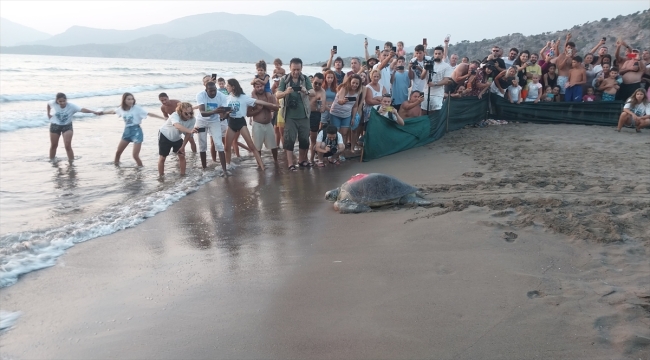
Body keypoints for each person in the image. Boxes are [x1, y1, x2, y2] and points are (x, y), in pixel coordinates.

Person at [224, 78, 279, 171]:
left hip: (241, 122)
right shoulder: (227, 97)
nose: (226, 87)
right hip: (231, 122)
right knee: (226, 147)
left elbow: (258, 102)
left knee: (252, 146)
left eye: (228, 85)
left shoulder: (243, 97)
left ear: (233, 87)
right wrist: (226, 113)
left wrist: (272, 105)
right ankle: (227, 166)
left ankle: (262, 166)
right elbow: (223, 112)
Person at [99, 92, 164, 166]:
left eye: (132, 99)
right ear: (124, 100)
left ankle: (140, 170)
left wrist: (163, 118)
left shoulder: (137, 108)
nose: (131, 101)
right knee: (118, 152)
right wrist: (102, 112)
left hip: (136, 132)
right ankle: (117, 169)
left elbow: (149, 114)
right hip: (127, 132)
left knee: (135, 156)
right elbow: (113, 112)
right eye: (128, 99)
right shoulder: (121, 109)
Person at [276, 58, 316, 171]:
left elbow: (313, 92)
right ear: (290, 68)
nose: (296, 72)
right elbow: (277, 95)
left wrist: (306, 91)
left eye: (298, 69)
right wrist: (285, 92)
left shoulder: (305, 78)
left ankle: (302, 160)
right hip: (290, 116)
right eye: (294, 69)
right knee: (289, 140)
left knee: (304, 139)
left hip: (304, 115)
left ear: (301, 68)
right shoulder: (284, 79)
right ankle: (290, 163)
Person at [46, 92, 100, 161]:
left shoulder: (71, 106)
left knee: (67, 145)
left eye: (64, 101)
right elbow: (48, 104)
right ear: (57, 100)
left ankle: (71, 163)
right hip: (55, 125)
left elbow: (82, 109)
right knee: (54, 145)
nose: (62, 103)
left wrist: (94, 112)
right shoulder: (53, 103)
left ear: (66, 100)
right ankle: (52, 161)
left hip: (67, 126)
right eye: (60, 101)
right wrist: (48, 113)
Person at [196, 81, 229, 172]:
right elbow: (202, 113)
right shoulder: (200, 95)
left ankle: (224, 170)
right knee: (202, 144)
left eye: (214, 90)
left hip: (214, 121)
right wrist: (215, 111)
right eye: (210, 91)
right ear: (206, 90)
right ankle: (204, 168)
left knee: (218, 143)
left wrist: (226, 114)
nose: (213, 93)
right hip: (201, 121)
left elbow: (223, 114)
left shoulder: (221, 96)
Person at [158, 102, 197, 176]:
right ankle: (161, 177)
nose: (189, 115)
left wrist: (183, 146)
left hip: (177, 138)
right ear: (180, 112)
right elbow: (177, 126)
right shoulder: (175, 115)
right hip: (165, 135)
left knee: (182, 155)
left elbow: (188, 134)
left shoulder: (192, 119)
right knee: (163, 157)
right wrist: (190, 131)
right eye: (186, 113)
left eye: (191, 113)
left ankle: (183, 175)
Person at [329, 74, 362, 149]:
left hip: (346, 115)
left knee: (344, 133)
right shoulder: (344, 88)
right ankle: (333, 150)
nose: (355, 85)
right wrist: (343, 101)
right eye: (353, 82)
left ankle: (340, 152)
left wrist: (353, 118)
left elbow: (355, 106)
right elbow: (340, 100)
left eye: (357, 83)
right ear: (350, 82)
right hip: (335, 114)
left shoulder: (357, 93)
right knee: (335, 133)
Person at [249, 79, 279, 162]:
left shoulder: (269, 96)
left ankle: (276, 161)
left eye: (261, 86)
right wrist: (258, 110)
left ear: (264, 86)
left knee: (273, 145)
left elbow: (277, 108)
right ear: (254, 87)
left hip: (269, 124)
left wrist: (268, 105)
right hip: (258, 124)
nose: (260, 88)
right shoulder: (252, 98)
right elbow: (248, 113)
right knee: (257, 147)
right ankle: (259, 164)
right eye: (257, 87)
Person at [421, 46, 453, 115]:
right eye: (435, 54)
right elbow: (422, 77)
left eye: (439, 54)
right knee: (423, 112)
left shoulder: (446, 66)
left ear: (442, 54)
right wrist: (426, 68)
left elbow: (446, 80)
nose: (437, 55)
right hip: (426, 93)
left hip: (437, 94)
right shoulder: (429, 63)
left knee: (435, 113)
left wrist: (435, 84)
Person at [308, 73, 327, 164]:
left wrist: (319, 105)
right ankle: (303, 158)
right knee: (303, 138)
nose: (317, 86)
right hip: (304, 114)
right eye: (316, 83)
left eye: (320, 84)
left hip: (314, 114)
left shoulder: (322, 92)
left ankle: (311, 159)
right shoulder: (307, 88)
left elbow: (322, 108)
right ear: (312, 80)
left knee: (313, 139)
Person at [552, 33, 576, 100]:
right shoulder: (562, 55)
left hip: (570, 79)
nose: (569, 49)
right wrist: (566, 58)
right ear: (566, 48)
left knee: (569, 95)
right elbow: (560, 67)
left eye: (571, 48)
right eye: (568, 47)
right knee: (560, 94)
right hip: (562, 78)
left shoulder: (574, 57)